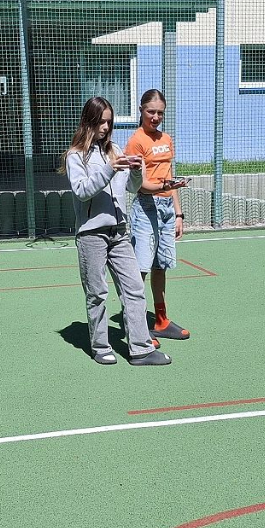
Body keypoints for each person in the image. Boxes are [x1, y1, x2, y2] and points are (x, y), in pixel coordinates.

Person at [63, 97, 171, 367]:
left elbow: (132, 187)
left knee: (134, 288)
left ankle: (141, 349)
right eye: (100, 122)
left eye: (109, 122)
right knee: (97, 292)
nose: (105, 127)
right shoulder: (76, 155)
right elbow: (82, 191)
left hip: (119, 232)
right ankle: (100, 346)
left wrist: (135, 170)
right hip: (92, 234)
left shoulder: (114, 150)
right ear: (88, 122)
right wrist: (109, 169)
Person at [125, 89, 191, 343]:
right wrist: (165, 186)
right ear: (141, 110)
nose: (155, 117)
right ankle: (137, 326)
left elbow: (169, 176)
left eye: (160, 113)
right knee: (140, 269)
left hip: (166, 210)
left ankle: (161, 320)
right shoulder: (136, 142)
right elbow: (140, 185)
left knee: (160, 266)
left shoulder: (166, 139)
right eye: (151, 112)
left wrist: (178, 214)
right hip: (146, 207)